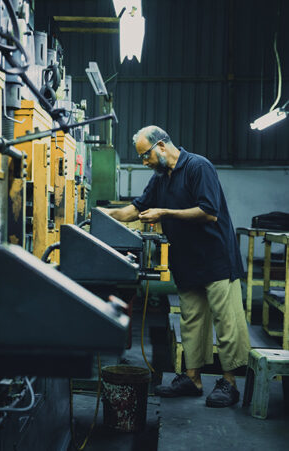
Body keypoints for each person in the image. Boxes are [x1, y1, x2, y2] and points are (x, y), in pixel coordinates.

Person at [102, 125, 251, 408]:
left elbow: (209, 212)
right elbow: (134, 208)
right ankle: (192, 379)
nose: (144, 163)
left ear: (160, 146)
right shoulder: (161, 178)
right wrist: (102, 214)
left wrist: (165, 212)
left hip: (216, 258)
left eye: (145, 156)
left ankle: (229, 383)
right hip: (187, 261)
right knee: (191, 321)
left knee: (226, 321)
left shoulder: (198, 166)